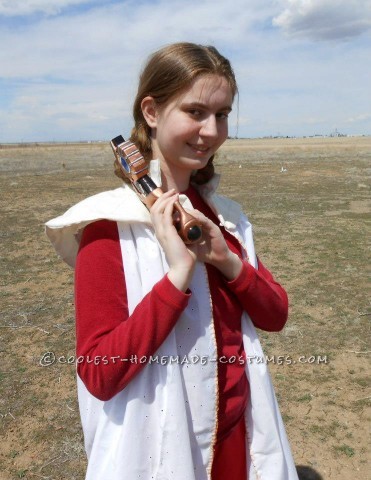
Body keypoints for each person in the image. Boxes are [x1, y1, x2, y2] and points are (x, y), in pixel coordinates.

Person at [46, 42, 299, 480]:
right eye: (195, 111)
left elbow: (275, 314)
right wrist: (178, 276)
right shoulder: (110, 227)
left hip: (239, 439)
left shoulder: (225, 219)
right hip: (162, 452)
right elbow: (99, 373)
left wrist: (227, 261)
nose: (212, 131)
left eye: (222, 114)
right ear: (151, 111)